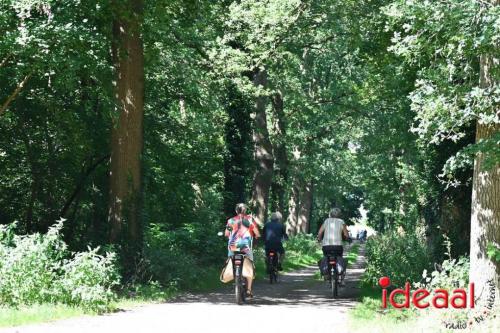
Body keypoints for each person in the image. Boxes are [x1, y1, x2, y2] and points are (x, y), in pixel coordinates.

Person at [225, 203, 260, 298]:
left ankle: (233, 275)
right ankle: (248, 290)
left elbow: (227, 233)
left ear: (236, 211)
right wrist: (257, 235)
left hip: (233, 247)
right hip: (245, 247)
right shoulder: (249, 220)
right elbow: (257, 232)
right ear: (245, 211)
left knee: (230, 261)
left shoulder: (231, 221)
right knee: (250, 266)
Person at [316, 208, 349, 284]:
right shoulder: (341, 222)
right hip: (338, 246)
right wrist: (347, 238)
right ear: (339, 215)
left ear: (330, 214)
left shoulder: (326, 221)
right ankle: (341, 278)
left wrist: (319, 239)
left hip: (326, 246)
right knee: (340, 257)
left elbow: (320, 232)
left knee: (326, 257)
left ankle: (326, 274)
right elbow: (346, 234)